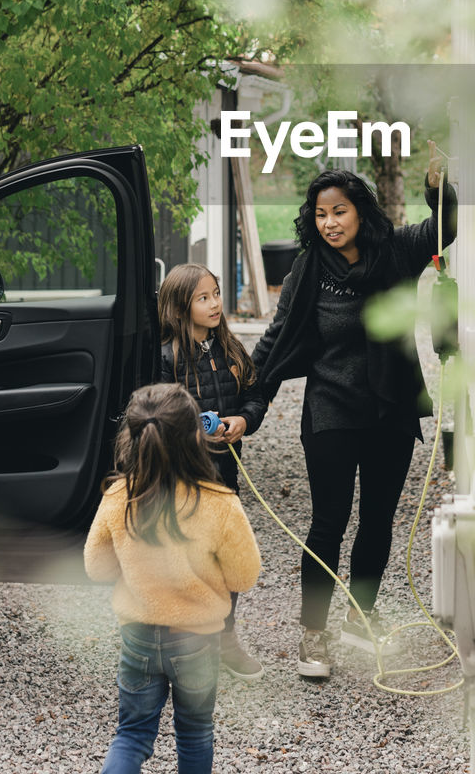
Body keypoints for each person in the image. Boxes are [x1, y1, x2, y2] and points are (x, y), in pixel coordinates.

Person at [252, 142, 457, 680]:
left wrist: (437, 188)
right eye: (320, 214)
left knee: (378, 522)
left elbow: (446, 227)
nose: (329, 223)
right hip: (331, 414)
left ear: (360, 211)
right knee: (328, 523)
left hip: (390, 411)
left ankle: (359, 615)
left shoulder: (396, 253)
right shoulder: (307, 270)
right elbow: (276, 340)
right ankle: (313, 634)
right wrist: (245, 403)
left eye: (338, 211)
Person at [85, 383, 261, 774]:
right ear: (195, 438)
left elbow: (96, 567)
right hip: (197, 640)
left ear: (131, 437)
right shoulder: (220, 503)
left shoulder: (118, 497)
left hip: (139, 636)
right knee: (196, 732)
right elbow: (244, 576)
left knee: (131, 734)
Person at [157, 263, 267, 681]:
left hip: (225, 477)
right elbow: (158, 414)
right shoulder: (166, 357)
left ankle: (225, 638)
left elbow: (255, 395)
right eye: (203, 297)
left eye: (216, 293)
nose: (215, 303)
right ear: (179, 307)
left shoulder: (232, 349)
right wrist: (195, 434)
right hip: (183, 479)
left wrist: (243, 421)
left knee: (229, 559)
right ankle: (181, 645)